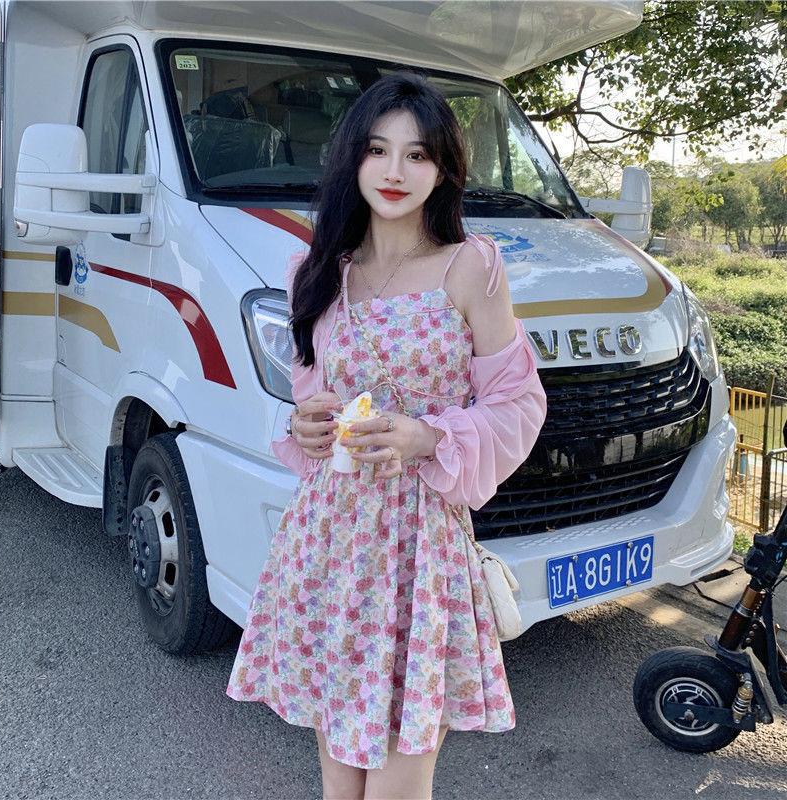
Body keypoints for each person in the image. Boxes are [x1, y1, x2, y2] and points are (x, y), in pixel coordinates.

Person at [226, 72, 547, 800]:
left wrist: (426, 437)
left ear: (443, 169)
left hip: (418, 549)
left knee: (401, 778)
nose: (395, 171)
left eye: (417, 154)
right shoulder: (316, 272)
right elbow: (312, 397)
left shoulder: (471, 266)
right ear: (353, 158)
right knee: (338, 776)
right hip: (327, 542)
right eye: (378, 149)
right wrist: (306, 423)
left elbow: (519, 403)